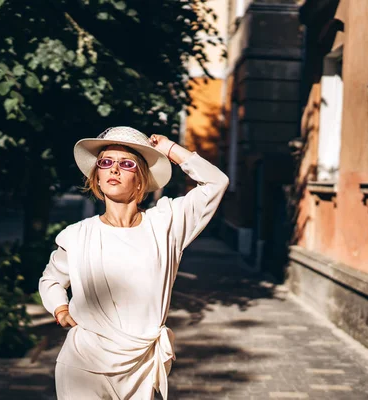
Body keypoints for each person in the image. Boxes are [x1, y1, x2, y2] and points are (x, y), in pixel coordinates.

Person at [39, 126, 229, 400]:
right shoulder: (77, 235)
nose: (114, 169)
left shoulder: (166, 223)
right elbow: (51, 279)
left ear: (141, 180)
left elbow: (216, 183)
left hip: (141, 366)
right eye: (105, 162)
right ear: (97, 177)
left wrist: (170, 150)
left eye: (126, 164)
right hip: (83, 365)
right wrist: (59, 307)